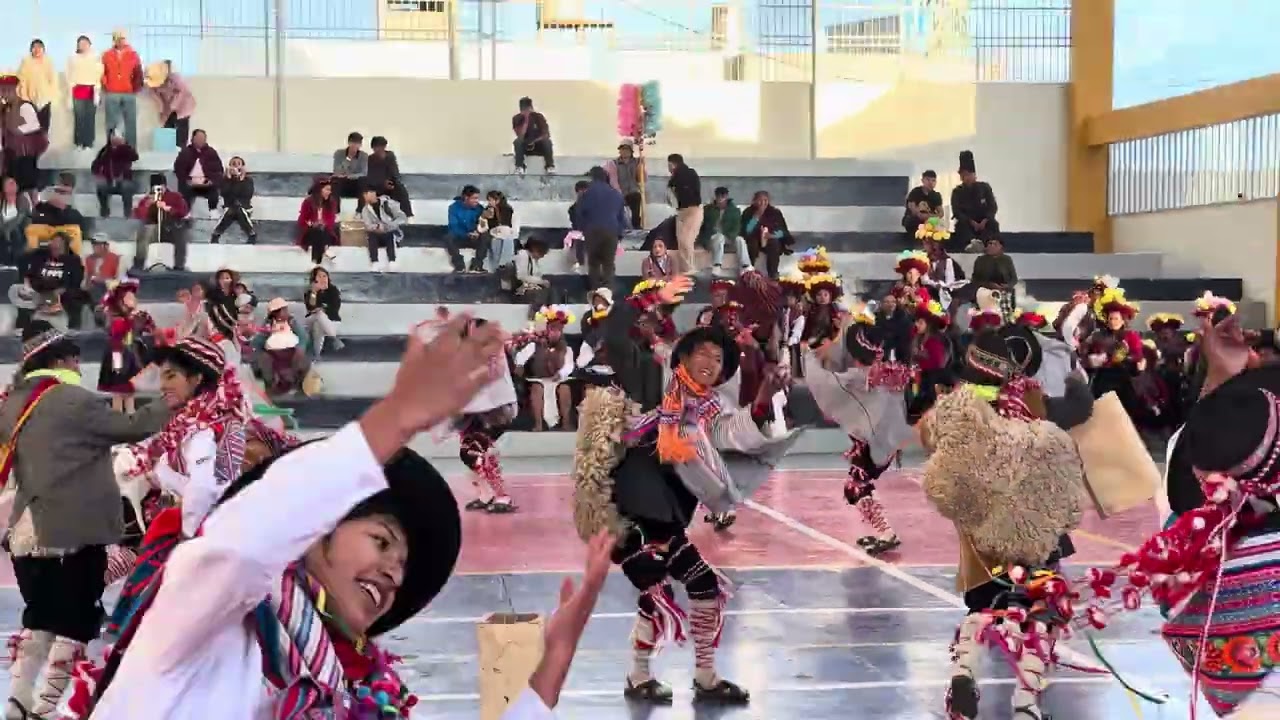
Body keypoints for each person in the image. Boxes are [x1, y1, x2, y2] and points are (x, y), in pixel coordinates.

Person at [83, 314, 616, 719]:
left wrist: (555, 659)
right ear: (315, 534)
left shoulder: (347, 688)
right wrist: (396, 418)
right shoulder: (205, 621)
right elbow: (238, 545)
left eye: (403, 565)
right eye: (382, 542)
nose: (394, 574)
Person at [573, 275, 798, 705]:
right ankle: (647, 676)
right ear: (685, 356)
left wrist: (764, 400)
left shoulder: (710, 411)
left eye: (719, 357)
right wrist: (648, 302)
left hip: (670, 516)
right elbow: (617, 336)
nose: (711, 361)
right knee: (657, 591)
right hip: (633, 513)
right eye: (704, 352)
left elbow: (737, 433)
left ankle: (701, 678)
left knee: (702, 588)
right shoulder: (651, 380)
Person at [0, 321, 171, 720]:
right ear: (61, 359)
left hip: (27, 529)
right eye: (75, 358)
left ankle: (17, 699)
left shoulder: (13, 401)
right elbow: (133, 427)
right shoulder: (73, 399)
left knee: (40, 615)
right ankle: (46, 707)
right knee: (76, 620)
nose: (79, 366)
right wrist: (169, 398)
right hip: (74, 529)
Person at [921, 330, 1088, 720]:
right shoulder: (1029, 400)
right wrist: (1076, 378)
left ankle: (963, 672)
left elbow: (932, 448)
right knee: (1041, 609)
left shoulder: (950, 408)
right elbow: (1077, 411)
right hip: (1033, 528)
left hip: (980, 534)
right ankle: (1026, 703)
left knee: (982, 605)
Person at [804, 308, 912, 555]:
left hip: (873, 443)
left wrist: (810, 356)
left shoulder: (858, 376)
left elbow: (823, 381)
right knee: (857, 485)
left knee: (855, 486)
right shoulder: (883, 372)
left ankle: (886, 533)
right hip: (883, 441)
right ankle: (884, 531)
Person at [448, 311, 519, 513]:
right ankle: (486, 494)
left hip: (497, 410)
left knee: (474, 451)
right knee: (468, 451)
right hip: (475, 411)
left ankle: (502, 497)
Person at [512, 307, 578, 431]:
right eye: (553, 329)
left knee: (565, 389)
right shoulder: (535, 345)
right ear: (548, 329)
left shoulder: (567, 349)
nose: (555, 333)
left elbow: (569, 366)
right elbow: (521, 356)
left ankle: (566, 423)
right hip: (539, 380)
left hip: (557, 379)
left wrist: (561, 374)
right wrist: (519, 365)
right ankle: (538, 424)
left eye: (558, 330)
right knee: (537, 388)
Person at [98, 279, 157, 414]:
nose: (133, 298)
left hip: (131, 355)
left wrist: (145, 322)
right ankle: (117, 420)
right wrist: (118, 367)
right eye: (129, 296)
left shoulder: (139, 316)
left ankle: (131, 418)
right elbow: (116, 342)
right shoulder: (117, 320)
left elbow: (151, 329)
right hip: (118, 356)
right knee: (118, 394)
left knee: (130, 394)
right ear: (120, 300)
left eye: (133, 296)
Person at [18, 232, 89, 331]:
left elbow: (76, 281)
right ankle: (22, 328)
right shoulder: (41, 256)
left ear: (65, 246)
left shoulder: (73, 260)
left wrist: (59, 291)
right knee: (20, 295)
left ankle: (72, 329)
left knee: (76, 296)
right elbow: (29, 274)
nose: (54, 245)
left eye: (58, 243)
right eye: (53, 242)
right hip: (38, 291)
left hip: (60, 292)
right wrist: (27, 287)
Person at [578, 166, 627, 290]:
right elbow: (622, 218)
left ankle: (595, 293)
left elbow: (580, 212)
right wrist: (619, 235)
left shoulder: (587, 193)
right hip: (611, 232)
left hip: (592, 231)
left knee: (594, 264)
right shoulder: (616, 194)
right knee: (608, 265)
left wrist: (584, 229)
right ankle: (608, 294)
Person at [251, 298, 313, 396]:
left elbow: (303, 336)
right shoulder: (269, 324)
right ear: (276, 313)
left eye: (286, 310)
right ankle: (270, 387)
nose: (286, 312)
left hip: (291, 352)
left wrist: (301, 347)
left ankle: (298, 385)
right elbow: (259, 340)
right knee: (264, 360)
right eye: (283, 310)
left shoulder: (292, 322)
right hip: (273, 353)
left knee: (303, 361)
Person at [1, 75, 48, 204]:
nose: (3, 95)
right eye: (1, 91)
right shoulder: (5, 109)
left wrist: (14, 127)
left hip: (25, 155)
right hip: (10, 155)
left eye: (5, 91)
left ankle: (37, 213)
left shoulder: (25, 107)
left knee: (29, 187)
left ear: (13, 90)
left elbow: (33, 127)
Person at [131, 174, 190, 274]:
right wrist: (147, 205)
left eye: (161, 186)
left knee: (180, 233)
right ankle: (139, 265)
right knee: (145, 232)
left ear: (165, 185)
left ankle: (179, 266)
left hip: (170, 228)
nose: (159, 189)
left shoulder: (175, 196)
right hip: (154, 228)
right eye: (156, 186)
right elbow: (138, 215)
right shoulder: (147, 199)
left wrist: (168, 208)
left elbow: (183, 212)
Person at [950, 150, 999, 253]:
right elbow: (957, 211)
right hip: (967, 222)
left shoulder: (984, 187)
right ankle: (972, 244)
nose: (966, 178)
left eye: (968, 175)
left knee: (993, 224)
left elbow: (992, 206)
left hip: (984, 221)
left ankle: (987, 244)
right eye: (963, 175)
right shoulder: (957, 191)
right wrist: (971, 222)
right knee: (961, 226)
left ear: (974, 175)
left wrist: (985, 220)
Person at [26, 176, 90, 254]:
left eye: (64, 191)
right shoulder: (44, 206)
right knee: (31, 230)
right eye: (58, 190)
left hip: (66, 239)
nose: (61, 194)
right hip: (46, 237)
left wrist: (62, 210)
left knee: (75, 231)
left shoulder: (74, 211)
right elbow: (36, 220)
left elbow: (81, 230)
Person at [101, 30, 142, 148]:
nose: (121, 40)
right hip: (112, 92)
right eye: (118, 38)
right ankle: (110, 149)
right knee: (111, 123)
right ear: (114, 39)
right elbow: (102, 71)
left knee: (130, 123)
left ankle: (131, 149)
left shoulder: (133, 54)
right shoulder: (107, 55)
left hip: (129, 93)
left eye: (123, 38)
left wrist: (135, 88)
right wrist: (105, 85)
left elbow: (138, 73)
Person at [740, 190, 791, 278]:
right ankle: (749, 272)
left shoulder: (775, 212)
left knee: (774, 243)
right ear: (754, 201)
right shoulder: (748, 212)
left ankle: (773, 273)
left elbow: (783, 231)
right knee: (751, 245)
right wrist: (756, 217)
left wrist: (772, 235)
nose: (763, 203)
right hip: (753, 239)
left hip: (770, 239)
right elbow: (746, 231)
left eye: (765, 200)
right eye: (760, 200)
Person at [145, 61, 196, 148]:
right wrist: (162, 111)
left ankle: (181, 147)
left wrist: (172, 107)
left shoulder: (176, 79)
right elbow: (157, 98)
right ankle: (168, 148)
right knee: (168, 126)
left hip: (184, 105)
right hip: (168, 106)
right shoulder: (151, 84)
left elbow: (182, 93)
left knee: (181, 125)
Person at [172, 129, 223, 218]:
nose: (201, 140)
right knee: (184, 189)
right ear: (193, 138)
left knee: (214, 190)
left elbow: (218, 170)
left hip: (206, 182)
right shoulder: (185, 152)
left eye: (203, 138)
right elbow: (178, 169)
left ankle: (213, 210)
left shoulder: (211, 152)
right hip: (190, 182)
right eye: (198, 138)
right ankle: (186, 211)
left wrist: (211, 180)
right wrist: (186, 180)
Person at [967, 236, 1018, 319]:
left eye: (995, 244)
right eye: (989, 244)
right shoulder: (980, 260)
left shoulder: (1007, 259)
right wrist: (989, 285)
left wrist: (1007, 286)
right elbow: (975, 280)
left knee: (1006, 298)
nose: (991, 246)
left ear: (1001, 247)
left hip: (1004, 290)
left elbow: (1014, 279)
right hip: (984, 291)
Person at [698, 187, 746, 276]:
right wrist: (703, 240)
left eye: (723, 196)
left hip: (728, 236)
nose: (721, 199)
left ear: (727, 197)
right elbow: (702, 227)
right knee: (719, 237)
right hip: (713, 237)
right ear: (715, 197)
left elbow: (737, 227)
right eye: (718, 196)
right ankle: (717, 265)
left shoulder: (734, 210)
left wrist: (731, 236)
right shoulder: (708, 209)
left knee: (740, 240)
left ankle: (745, 265)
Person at [358, 184, 406, 272]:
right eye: (364, 195)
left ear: (373, 193)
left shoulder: (388, 204)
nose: (365, 197)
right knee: (371, 236)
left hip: (390, 231)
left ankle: (392, 261)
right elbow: (368, 225)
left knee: (390, 235)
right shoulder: (365, 210)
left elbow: (401, 218)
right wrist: (377, 227)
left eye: (366, 194)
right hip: (376, 233)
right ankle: (375, 262)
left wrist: (388, 226)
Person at [667, 153, 702, 274]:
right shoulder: (678, 176)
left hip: (692, 209)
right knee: (682, 241)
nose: (668, 168)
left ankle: (689, 268)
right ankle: (686, 268)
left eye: (669, 165)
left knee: (686, 240)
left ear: (673, 164)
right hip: (682, 210)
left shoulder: (683, 174)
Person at [92, 131, 140, 218]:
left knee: (126, 187)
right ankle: (105, 211)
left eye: (118, 137)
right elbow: (95, 165)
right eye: (113, 136)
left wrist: (122, 146)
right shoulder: (105, 150)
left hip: (125, 180)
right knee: (101, 187)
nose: (115, 139)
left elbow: (135, 157)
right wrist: (99, 174)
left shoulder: (126, 149)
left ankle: (127, 214)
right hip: (109, 181)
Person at [67, 36, 104, 149]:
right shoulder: (73, 58)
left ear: (89, 45)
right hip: (77, 90)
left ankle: (89, 143)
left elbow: (99, 74)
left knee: (90, 118)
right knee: (79, 118)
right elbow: (69, 75)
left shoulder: (95, 58)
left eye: (85, 43)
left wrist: (97, 90)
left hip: (91, 90)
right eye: (81, 43)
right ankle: (78, 143)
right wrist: (69, 93)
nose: (83, 45)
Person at [210, 155, 255, 244]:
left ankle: (216, 234)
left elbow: (247, 194)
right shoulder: (225, 179)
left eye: (238, 164)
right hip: (229, 207)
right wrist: (230, 179)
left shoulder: (248, 180)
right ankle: (251, 234)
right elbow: (225, 193)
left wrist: (241, 179)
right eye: (233, 164)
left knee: (238, 210)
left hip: (244, 207)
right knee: (232, 210)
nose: (236, 166)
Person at [365, 136, 412, 218]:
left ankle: (408, 215)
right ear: (373, 148)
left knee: (401, 189)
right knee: (370, 192)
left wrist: (392, 183)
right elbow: (371, 178)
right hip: (377, 187)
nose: (379, 150)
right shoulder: (370, 160)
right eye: (377, 147)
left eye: (381, 147)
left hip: (390, 185)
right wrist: (383, 183)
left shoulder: (390, 156)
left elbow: (395, 173)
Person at [295, 178, 338, 267]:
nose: (329, 192)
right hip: (310, 232)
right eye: (327, 189)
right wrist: (311, 223)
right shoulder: (308, 202)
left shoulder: (331, 203)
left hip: (326, 232)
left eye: (330, 190)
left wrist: (324, 223)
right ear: (319, 190)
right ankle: (325, 250)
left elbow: (331, 220)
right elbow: (302, 220)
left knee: (321, 229)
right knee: (317, 230)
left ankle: (315, 261)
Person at [303, 266, 344, 358]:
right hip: (311, 319)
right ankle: (334, 338)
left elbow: (335, 309)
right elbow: (310, 308)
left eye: (324, 276)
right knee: (319, 315)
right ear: (314, 279)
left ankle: (316, 354)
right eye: (319, 276)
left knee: (318, 327)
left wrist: (323, 310)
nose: (322, 279)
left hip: (331, 321)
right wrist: (314, 292)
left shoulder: (333, 291)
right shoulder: (310, 293)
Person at [17, 40, 57, 133]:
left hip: (45, 98)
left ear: (43, 49)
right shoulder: (26, 61)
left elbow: (53, 80)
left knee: (44, 124)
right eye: (34, 47)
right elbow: (21, 79)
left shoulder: (48, 61)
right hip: (28, 98)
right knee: (31, 124)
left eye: (39, 47)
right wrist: (22, 95)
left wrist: (51, 95)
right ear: (31, 49)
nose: (37, 49)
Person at [475, 190, 517, 273]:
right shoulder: (487, 210)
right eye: (488, 200)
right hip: (493, 233)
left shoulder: (508, 210)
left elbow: (512, 225)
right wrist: (483, 217)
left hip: (506, 233)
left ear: (497, 200)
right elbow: (483, 228)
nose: (489, 202)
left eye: (490, 200)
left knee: (506, 240)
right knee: (495, 241)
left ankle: (504, 264)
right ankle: (497, 267)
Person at [445, 184, 483, 273]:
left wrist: (477, 232)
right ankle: (459, 264)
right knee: (448, 237)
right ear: (466, 198)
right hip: (461, 237)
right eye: (474, 198)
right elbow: (453, 226)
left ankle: (477, 264)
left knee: (486, 237)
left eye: (477, 198)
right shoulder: (454, 208)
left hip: (475, 237)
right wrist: (466, 234)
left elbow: (483, 224)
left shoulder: (480, 208)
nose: (476, 201)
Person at [512, 96, 554, 175]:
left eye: (527, 109)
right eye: (524, 109)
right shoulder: (517, 118)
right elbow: (520, 136)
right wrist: (526, 120)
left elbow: (546, 135)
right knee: (517, 142)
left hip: (538, 145)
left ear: (531, 107)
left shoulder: (539, 117)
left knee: (547, 142)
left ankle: (550, 166)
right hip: (525, 146)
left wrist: (533, 142)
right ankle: (520, 167)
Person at [607, 142, 643, 227]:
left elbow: (642, 179)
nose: (624, 151)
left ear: (631, 151)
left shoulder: (637, 162)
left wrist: (642, 166)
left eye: (626, 149)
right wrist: (619, 194)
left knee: (636, 197)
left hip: (633, 192)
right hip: (620, 192)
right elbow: (613, 181)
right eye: (622, 149)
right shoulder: (613, 163)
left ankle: (636, 225)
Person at [903, 169, 944, 241]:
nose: (930, 183)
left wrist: (929, 217)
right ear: (923, 180)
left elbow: (941, 213)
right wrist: (920, 213)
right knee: (912, 220)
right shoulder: (915, 192)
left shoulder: (936, 195)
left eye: (933, 180)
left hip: (928, 220)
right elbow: (912, 209)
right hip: (914, 219)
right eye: (928, 180)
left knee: (938, 224)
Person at [330, 131, 368, 210]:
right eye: (353, 143)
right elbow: (337, 171)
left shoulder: (364, 156)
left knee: (364, 181)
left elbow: (364, 173)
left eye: (357, 143)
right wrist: (348, 158)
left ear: (360, 145)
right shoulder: (339, 153)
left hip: (356, 184)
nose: (355, 145)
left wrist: (349, 176)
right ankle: (335, 211)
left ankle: (360, 211)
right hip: (342, 183)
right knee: (335, 181)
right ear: (349, 143)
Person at [0, 176, 32, 267]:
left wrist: (8, 229)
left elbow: (22, 219)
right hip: (3, 233)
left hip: (20, 232)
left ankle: (15, 262)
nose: (14, 185)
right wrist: (5, 229)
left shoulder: (22, 199)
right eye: (10, 183)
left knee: (16, 231)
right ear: (4, 188)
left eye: (14, 183)